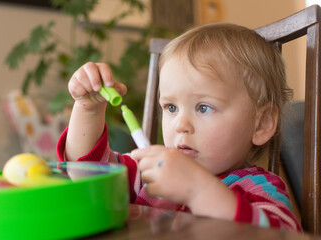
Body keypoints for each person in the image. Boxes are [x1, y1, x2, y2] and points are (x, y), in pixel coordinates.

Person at [56, 23, 302, 232]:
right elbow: (85, 173)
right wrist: (87, 109)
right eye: (171, 108)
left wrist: (197, 191)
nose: (180, 125)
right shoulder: (148, 174)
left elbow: (278, 235)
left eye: (204, 107)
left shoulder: (258, 189)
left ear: (262, 123)